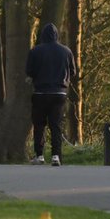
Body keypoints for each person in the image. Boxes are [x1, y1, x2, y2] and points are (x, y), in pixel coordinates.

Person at [25, 22, 78, 166]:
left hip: (40, 92)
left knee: (39, 125)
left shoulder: (35, 51)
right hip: (59, 93)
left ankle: (40, 155)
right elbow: (72, 71)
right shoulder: (66, 51)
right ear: (57, 35)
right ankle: (56, 155)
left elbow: (29, 72)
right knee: (56, 125)